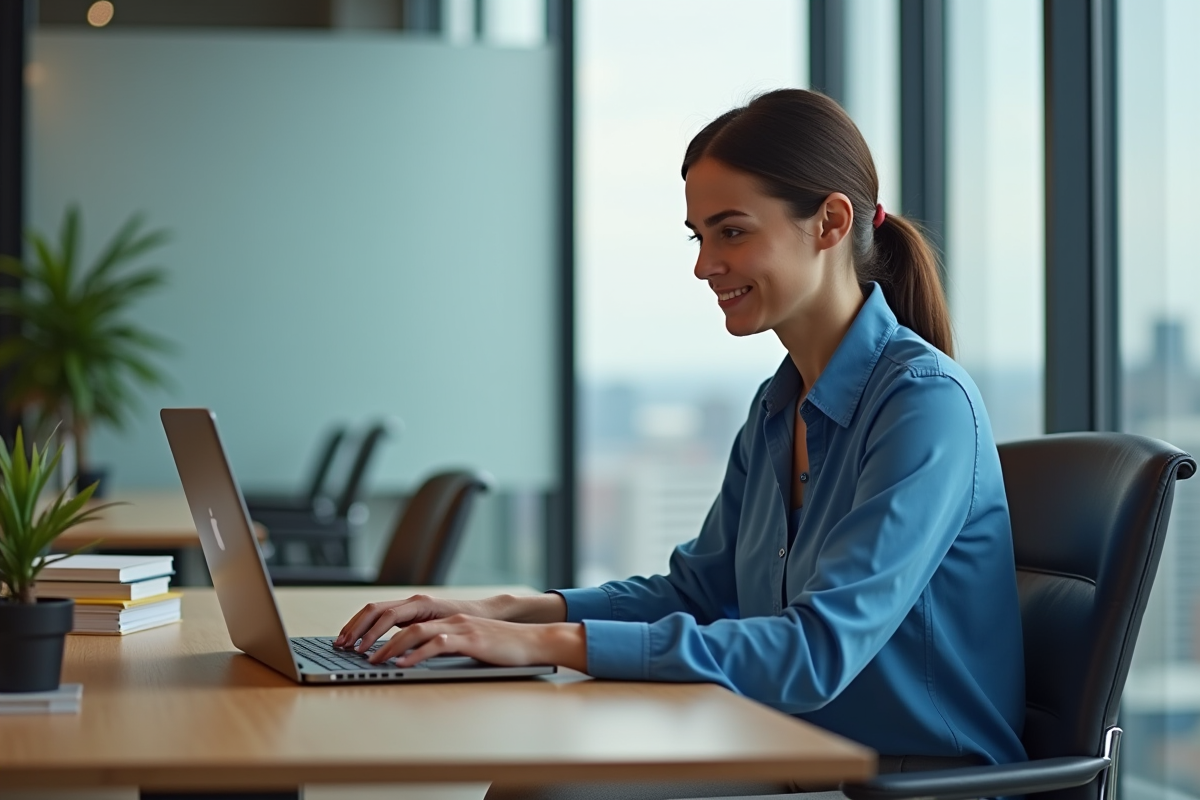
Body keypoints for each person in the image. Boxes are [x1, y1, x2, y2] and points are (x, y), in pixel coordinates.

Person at [335, 89, 1026, 797]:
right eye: (699, 237)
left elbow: (816, 652)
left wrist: (542, 646)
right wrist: (508, 611)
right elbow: (697, 591)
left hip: (904, 782)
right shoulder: (777, 405)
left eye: (732, 232)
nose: (704, 266)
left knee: (546, 793)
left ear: (829, 222)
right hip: (795, 755)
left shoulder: (923, 404)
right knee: (539, 784)